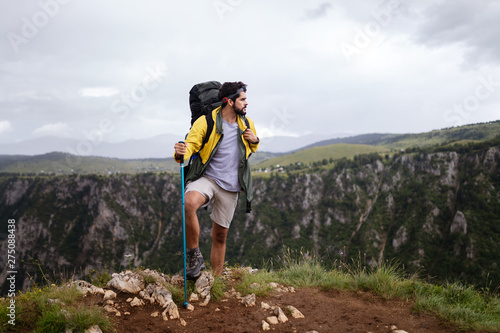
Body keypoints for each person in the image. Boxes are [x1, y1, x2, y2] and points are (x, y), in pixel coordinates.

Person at [173, 81, 259, 279]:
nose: (246, 103)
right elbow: (191, 145)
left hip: (231, 186)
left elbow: (250, 147)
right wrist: (181, 153)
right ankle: (194, 257)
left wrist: (255, 141)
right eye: (243, 99)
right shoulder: (206, 122)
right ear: (229, 101)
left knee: (220, 236)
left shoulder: (246, 123)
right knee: (188, 204)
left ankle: (216, 281)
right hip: (208, 178)